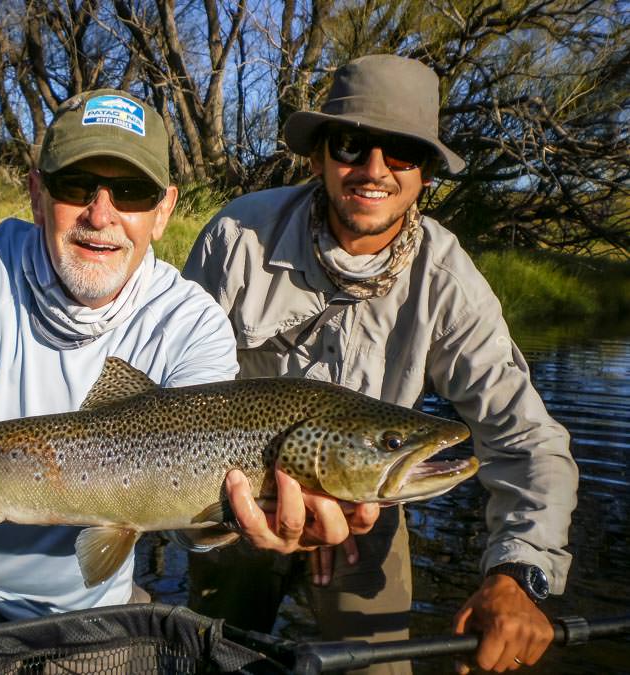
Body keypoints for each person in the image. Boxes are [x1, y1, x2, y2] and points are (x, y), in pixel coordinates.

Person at [0, 88, 370, 638]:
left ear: (163, 211)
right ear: (37, 192)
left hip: (99, 601)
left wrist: (250, 521)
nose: (101, 213)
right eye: (76, 184)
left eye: (132, 193)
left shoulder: (191, 321)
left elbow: (196, 510)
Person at [183, 55, 578, 674]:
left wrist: (516, 574)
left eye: (401, 154)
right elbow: (171, 395)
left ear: (425, 174)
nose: (374, 171)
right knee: (210, 659)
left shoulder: (448, 282)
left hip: (370, 509)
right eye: (352, 145)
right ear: (318, 156)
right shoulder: (237, 238)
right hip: (229, 503)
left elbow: (526, 440)